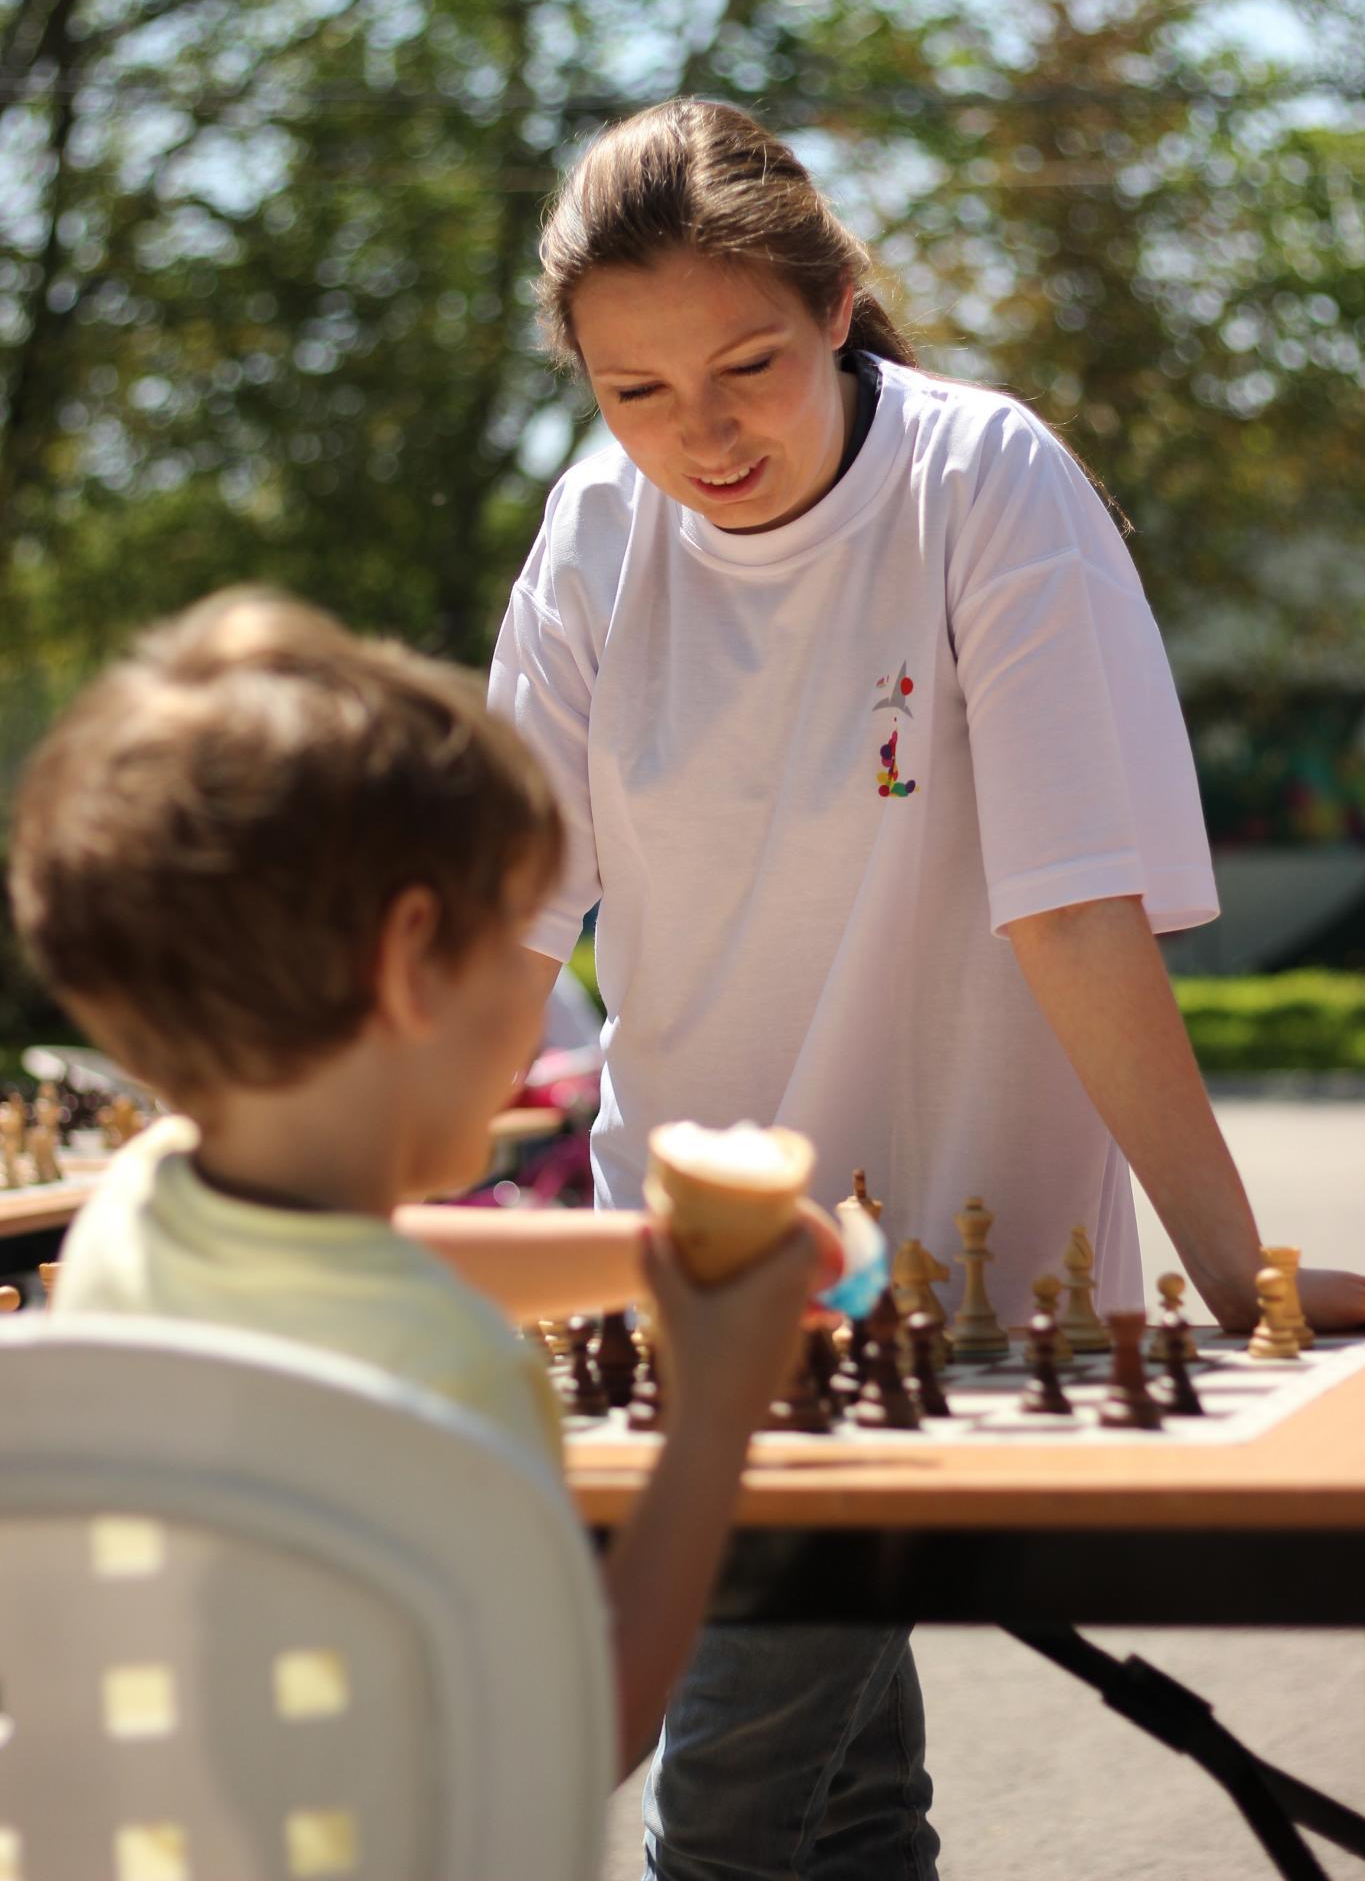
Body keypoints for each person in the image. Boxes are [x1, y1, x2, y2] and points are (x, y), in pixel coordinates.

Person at [488, 97, 1365, 1880]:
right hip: (699, 1277)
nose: (699, 434)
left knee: (728, 1820)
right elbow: (503, 929)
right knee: (838, 1810)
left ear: (835, 306)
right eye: (635, 390)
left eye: (746, 366)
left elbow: (1074, 910)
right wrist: (343, 1222)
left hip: (946, 1263)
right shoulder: (591, 530)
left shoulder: (981, 480)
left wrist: (1229, 1268)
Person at [7, 586, 842, 1774]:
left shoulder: (137, 1207)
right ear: (410, 962)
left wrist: (645, 1255)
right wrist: (711, 1415)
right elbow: (570, 1744)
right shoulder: (452, 1370)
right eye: (519, 939)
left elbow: (363, 1260)